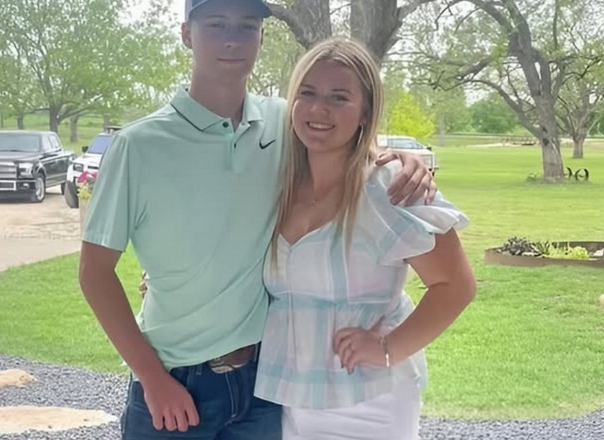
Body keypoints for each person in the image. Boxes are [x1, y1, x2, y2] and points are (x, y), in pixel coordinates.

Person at [78, 1, 436, 439]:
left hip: (263, 384)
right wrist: (152, 379)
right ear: (186, 34)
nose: (233, 39)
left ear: (262, 38)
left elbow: (342, 133)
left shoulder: (283, 122)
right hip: (174, 381)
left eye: (247, 26)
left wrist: (400, 160)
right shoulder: (138, 146)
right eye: (216, 24)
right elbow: (94, 273)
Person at [252, 37, 477, 440]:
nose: (319, 109)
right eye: (307, 93)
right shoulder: (277, 186)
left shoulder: (389, 186)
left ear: (365, 112)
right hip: (291, 398)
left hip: (370, 399)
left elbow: (456, 285)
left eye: (339, 98)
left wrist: (389, 348)